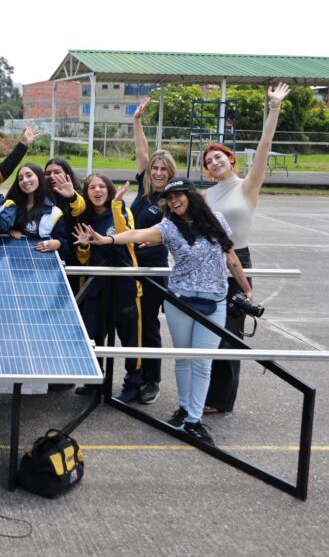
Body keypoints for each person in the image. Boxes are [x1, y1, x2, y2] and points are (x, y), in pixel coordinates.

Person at [74, 179, 252, 446]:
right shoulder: (169, 227)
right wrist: (105, 239)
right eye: (169, 198)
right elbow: (136, 235)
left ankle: (193, 421)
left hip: (214, 301)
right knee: (182, 359)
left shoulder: (216, 220)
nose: (174, 201)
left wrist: (247, 289)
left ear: (191, 195)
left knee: (202, 362)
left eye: (178, 195)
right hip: (180, 301)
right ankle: (184, 410)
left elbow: (231, 257)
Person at [203, 82, 289, 415]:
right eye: (209, 160)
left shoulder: (248, 187)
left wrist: (274, 107)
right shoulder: (206, 197)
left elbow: (265, 144)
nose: (215, 162)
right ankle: (205, 392)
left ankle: (221, 400)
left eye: (219, 156)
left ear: (231, 160)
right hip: (211, 264)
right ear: (207, 170)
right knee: (209, 331)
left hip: (240, 259)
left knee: (230, 333)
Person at [74, 173, 144, 402]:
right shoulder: (85, 218)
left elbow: (128, 236)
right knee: (92, 334)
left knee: (130, 337)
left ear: (109, 190)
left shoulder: (120, 210)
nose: (97, 191)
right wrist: (84, 247)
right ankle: (95, 380)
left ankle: (133, 383)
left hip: (124, 286)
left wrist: (117, 205)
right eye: (92, 187)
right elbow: (83, 259)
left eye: (102, 186)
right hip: (96, 287)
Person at [129, 97, 178, 405]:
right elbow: (141, 151)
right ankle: (133, 376)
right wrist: (136, 121)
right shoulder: (144, 190)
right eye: (155, 168)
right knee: (130, 325)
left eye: (163, 169)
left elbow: (175, 233)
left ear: (171, 173)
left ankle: (152, 380)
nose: (158, 172)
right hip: (130, 266)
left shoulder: (173, 199)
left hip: (153, 272)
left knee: (148, 326)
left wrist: (158, 238)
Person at [4, 164, 68, 254]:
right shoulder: (11, 207)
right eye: (20, 178)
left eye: (29, 175)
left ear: (40, 177)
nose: (25, 180)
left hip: (42, 262)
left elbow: (65, 243)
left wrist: (58, 243)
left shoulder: (54, 213)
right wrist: (9, 231)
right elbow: (0, 227)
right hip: (15, 258)